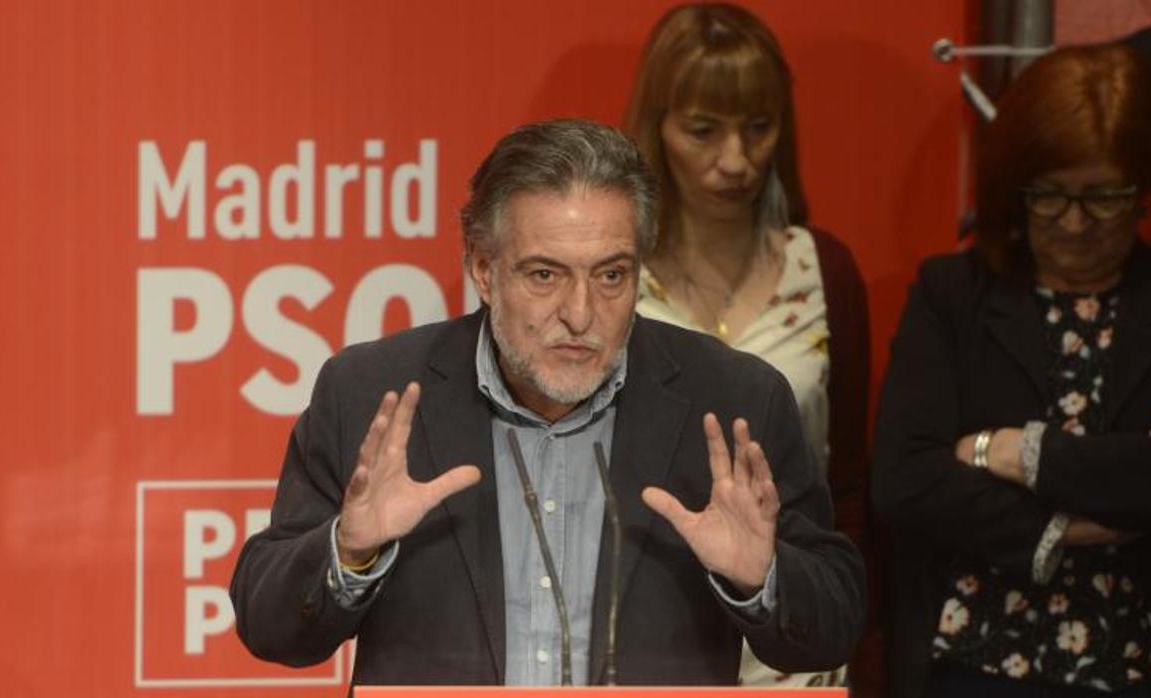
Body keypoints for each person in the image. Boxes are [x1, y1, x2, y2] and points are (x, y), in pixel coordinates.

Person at [229, 118, 864, 686]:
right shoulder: (371, 393)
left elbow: (834, 621)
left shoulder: (734, 401)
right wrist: (349, 552)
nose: (581, 314)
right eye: (545, 275)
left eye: (611, 275)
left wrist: (763, 578)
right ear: (483, 268)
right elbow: (268, 622)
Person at [873, 44, 1151, 698]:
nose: (1073, 222)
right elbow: (905, 480)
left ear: (1147, 189)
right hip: (971, 658)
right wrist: (1069, 526)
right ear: (1017, 187)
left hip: (1138, 657)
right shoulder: (952, 294)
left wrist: (1016, 452)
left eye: (1103, 198)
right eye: (1050, 196)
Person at [623, 3, 874, 689]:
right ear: (658, 128)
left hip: (792, 648)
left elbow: (846, 485)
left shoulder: (823, 269)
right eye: (703, 131)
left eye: (758, 128)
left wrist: (848, 640)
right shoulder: (610, 278)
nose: (735, 160)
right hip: (638, 642)